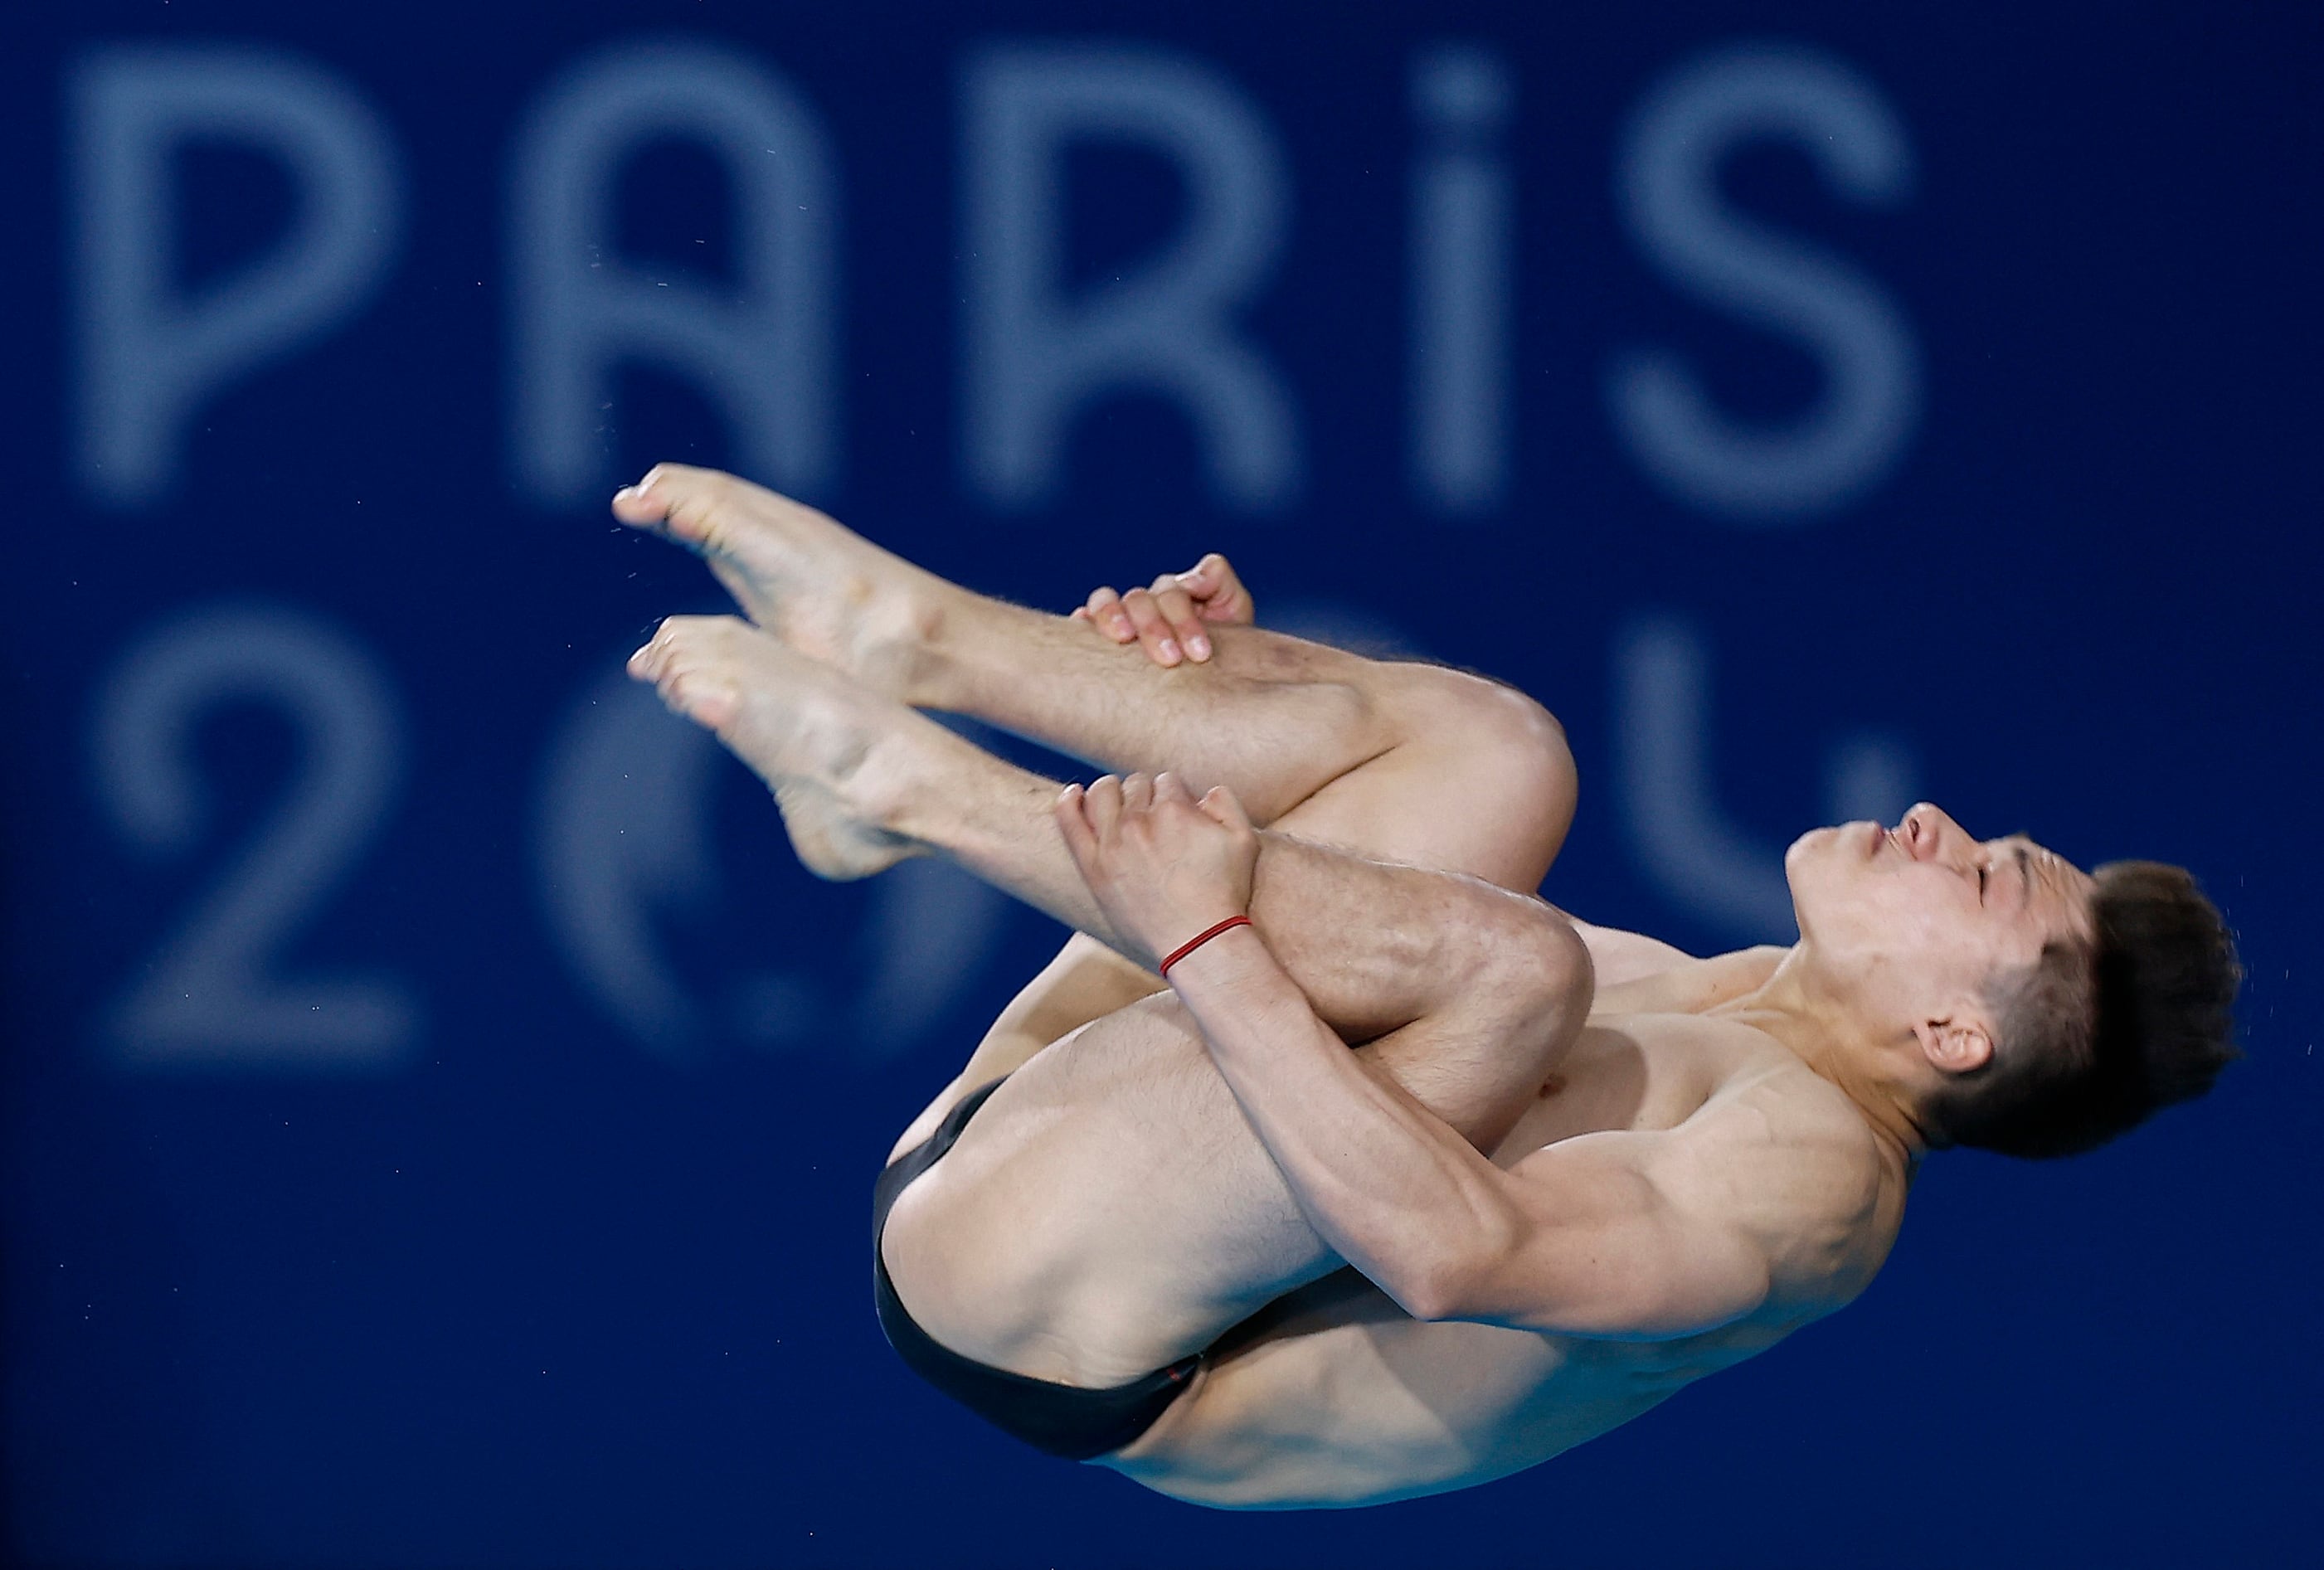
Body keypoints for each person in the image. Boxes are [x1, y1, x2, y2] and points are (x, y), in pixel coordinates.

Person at [611, 464, 2240, 1509]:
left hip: (1070, 1322)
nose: (1946, 828)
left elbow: (1451, 1248)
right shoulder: (1732, 989)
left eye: (1987, 880)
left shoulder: (1814, 1187)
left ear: (1952, 1035)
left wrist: (1200, 932)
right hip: (1051, 1132)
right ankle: (922, 646)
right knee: (1499, 755)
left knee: (1509, 964)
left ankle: (919, 790)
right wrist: (1237, 677)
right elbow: (1367, 912)